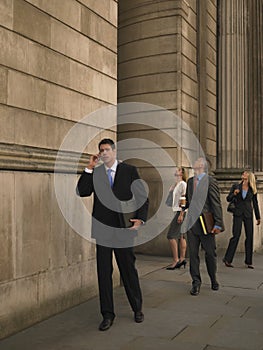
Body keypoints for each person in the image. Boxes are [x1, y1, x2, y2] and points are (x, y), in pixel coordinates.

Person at [76, 138, 149, 331]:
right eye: (101, 150)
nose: (104, 153)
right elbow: (82, 191)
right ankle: (107, 314)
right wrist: (89, 168)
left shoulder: (129, 171)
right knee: (104, 272)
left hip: (124, 229)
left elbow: (142, 196)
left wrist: (140, 219)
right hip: (103, 229)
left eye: (107, 149)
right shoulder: (97, 172)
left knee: (128, 270)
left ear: (114, 151)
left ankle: (137, 308)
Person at [178, 157, 224, 296]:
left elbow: (216, 203)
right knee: (193, 255)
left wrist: (218, 223)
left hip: (206, 224)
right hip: (192, 224)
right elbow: (189, 201)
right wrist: (183, 208)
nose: (195, 163)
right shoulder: (191, 181)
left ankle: (213, 278)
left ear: (203, 166)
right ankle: (196, 283)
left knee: (210, 254)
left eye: (198, 161)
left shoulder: (210, 181)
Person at [223, 170, 261, 269]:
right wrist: (234, 194)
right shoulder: (236, 186)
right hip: (238, 213)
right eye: (243, 173)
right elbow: (228, 198)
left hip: (248, 214)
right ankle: (227, 259)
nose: (243, 174)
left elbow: (255, 203)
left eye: (245, 173)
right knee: (236, 235)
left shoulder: (252, 189)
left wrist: (258, 217)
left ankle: (249, 261)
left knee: (249, 236)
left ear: (249, 177)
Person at [166, 167, 188, 270]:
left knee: (171, 236)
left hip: (180, 211)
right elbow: (170, 201)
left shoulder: (183, 184)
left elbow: (184, 199)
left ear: (181, 173)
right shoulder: (177, 184)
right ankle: (182, 259)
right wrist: (171, 190)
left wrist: (181, 214)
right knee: (181, 236)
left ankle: (176, 260)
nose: (175, 170)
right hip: (177, 211)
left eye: (178, 169)